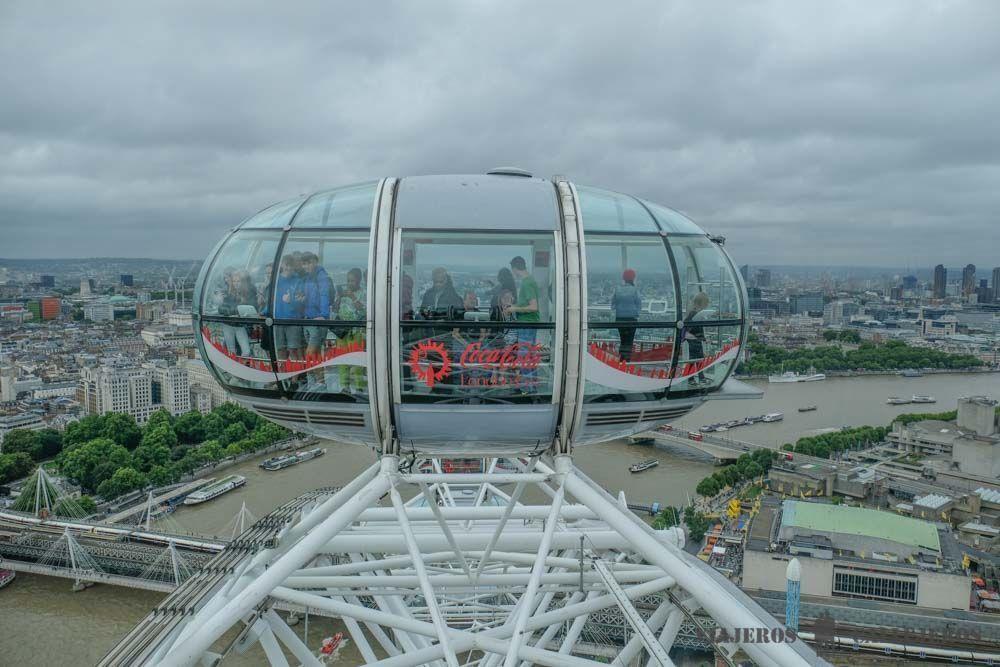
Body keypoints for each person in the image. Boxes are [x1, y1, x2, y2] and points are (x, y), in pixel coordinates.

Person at [506, 256, 541, 389]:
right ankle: (533, 386)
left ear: (515, 268)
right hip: (529, 324)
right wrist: (515, 305)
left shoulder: (527, 283)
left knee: (524, 358)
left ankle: (527, 389)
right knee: (530, 357)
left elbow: (533, 307)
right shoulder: (530, 280)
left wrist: (514, 308)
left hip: (527, 325)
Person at [335, 267, 366, 393]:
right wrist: (338, 298)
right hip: (342, 330)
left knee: (356, 359)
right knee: (342, 359)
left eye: (352, 281)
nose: (349, 283)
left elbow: (363, 310)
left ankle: (359, 386)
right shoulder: (343, 294)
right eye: (348, 281)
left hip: (355, 331)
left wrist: (353, 297)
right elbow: (335, 309)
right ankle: (344, 385)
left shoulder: (363, 293)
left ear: (359, 281)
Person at [299, 252, 331, 361]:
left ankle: (315, 378)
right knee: (315, 356)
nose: (306, 266)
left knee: (310, 354)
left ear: (315, 262)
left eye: (309, 263)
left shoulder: (322, 276)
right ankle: (318, 379)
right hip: (309, 319)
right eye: (304, 264)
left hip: (317, 320)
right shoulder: (308, 278)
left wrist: (324, 315)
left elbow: (324, 295)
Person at [272, 254, 304, 362]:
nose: (288, 268)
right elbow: (271, 301)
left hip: (293, 320)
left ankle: (294, 379)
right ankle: (284, 376)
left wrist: (291, 301)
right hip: (277, 320)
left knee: (293, 350)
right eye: (286, 265)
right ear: (282, 265)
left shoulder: (298, 281)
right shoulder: (275, 280)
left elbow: (302, 304)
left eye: (290, 265)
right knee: (280, 350)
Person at [218, 270, 256, 358]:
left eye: (238, 281)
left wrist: (235, 310)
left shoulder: (248, 293)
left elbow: (252, 307)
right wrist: (233, 311)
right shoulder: (228, 293)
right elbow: (220, 308)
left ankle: (243, 366)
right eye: (234, 281)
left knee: (246, 351)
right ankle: (235, 368)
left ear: (242, 282)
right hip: (228, 325)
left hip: (240, 325)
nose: (236, 283)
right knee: (231, 351)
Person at [612, 268, 641, 362]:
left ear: (624, 278)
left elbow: (613, 305)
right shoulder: (635, 289)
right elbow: (639, 304)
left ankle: (621, 360)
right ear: (633, 278)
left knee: (623, 341)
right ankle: (626, 361)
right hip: (632, 319)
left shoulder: (617, 289)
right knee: (629, 341)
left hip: (620, 318)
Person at [683, 292, 711, 385]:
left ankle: (693, 378)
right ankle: (695, 378)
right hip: (694, 341)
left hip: (694, 340)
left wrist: (702, 338)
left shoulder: (693, 314)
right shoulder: (695, 315)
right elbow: (695, 328)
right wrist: (701, 338)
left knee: (695, 360)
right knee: (696, 360)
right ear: (701, 304)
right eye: (705, 305)